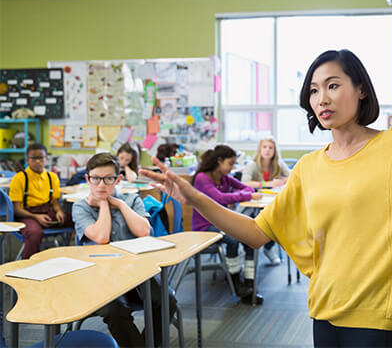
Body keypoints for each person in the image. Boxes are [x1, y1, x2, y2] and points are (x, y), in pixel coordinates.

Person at [141, 26, 392, 347]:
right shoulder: (309, 168)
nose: (322, 98)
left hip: (381, 317)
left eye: (333, 85)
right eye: (313, 90)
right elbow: (256, 233)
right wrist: (193, 196)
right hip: (325, 312)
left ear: (361, 90)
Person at [72, 152, 177, 347]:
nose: (101, 185)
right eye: (96, 179)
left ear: (118, 179)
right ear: (88, 179)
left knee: (167, 300)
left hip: (137, 273)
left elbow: (144, 231)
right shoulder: (81, 207)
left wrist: (118, 204)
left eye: (108, 179)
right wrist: (104, 203)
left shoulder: (131, 200)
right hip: (101, 277)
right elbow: (101, 237)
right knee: (114, 311)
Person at [190, 144, 264, 304]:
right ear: (219, 161)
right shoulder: (202, 178)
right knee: (233, 240)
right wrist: (245, 195)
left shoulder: (224, 177)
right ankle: (236, 284)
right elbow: (220, 198)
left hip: (222, 222)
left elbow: (246, 187)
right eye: (230, 163)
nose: (232, 168)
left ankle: (250, 283)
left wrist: (243, 193)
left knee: (250, 238)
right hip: (204, 227)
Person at [8, 143, 73, 259]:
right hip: (26, 215)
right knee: (34, 233)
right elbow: (16, 210)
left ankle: (72, 256)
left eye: (41, 158)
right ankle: (28, 264)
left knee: (77, 220)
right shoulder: (19, 179)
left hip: (47, 212)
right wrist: (36, 217)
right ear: (27, 160)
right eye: (34, 158)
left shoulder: (52, 177)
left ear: (46, 159)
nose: (38, 161)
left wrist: (59, 212)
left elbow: (55, 203)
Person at [240, 138, 291, 265]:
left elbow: (291, 176)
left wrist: (284, 180)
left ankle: (268, 248)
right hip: (252, 204)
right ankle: (249, 251)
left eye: (270, 148)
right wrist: (268, 184)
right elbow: (244, 183)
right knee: (254, 223)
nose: (267, 150)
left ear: (274, 151)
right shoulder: (252, 164)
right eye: (265, 147)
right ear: (259, 149)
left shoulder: (278, 163)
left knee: (277, 221)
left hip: (270, 203)